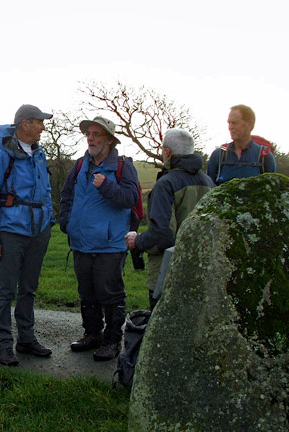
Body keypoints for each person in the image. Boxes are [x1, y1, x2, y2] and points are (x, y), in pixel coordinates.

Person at [0, 104, 54, 366]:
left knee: (29, 289)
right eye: (39, 122)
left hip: (38, 231)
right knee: (6, 290)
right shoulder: (0, 156)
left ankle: (26, 338)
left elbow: (46, 192)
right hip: (11, 231)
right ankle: (3, 345)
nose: (43, 127)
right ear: (25, 124)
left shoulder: (39, 154)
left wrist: (49, 222)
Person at [59, 115, 140, 361]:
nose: (91, 139)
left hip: (109, 244)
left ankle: (113, 341)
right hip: (81, 243)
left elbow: (130, 199)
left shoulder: (123, 166)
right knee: (87, 292)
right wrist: (67, 223)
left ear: (109, 140)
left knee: (111, 294)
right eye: (89, 134)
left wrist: (106, 186)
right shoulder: (79, 165)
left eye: (97, 134)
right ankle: (92, 334)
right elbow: (66, 196)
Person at [125, 129, 215, 309]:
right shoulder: (209, 182)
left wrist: (138, 240)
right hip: (202, 270)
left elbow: (163, 235)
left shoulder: (166, 184)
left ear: (167, 152)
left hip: (167, 273)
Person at [207, 104, 276, 185]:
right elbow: (209, 192)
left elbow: (273, 192)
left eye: (234, 123)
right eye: (229, 123)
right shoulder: (219, 155)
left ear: (249, 124)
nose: (230, 127)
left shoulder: (264, 157)